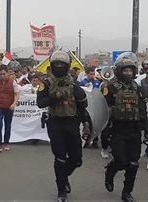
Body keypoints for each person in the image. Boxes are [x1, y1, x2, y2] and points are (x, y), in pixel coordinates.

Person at [36, 50, 91, 202]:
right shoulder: (46, 83)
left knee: (76, 160)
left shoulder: (73, 83)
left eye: (62, 64)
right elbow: (40, 103)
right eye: (57, 64)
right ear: (52, 65)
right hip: (55, 123)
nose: (59, 66)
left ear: (67, 66)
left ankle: (63, 176)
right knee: (60, 158)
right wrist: (55, 97)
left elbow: (83, 105)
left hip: (72, 123)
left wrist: (86, 123)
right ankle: (61, 190)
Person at [103, 55, 148, 202]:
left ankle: (127, 193)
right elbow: (103, 111)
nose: (128, 73)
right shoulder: (110, 88)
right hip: (117, 129)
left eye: (131, 70)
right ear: (118, 71)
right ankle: (110, 171)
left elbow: (143, 111)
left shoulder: (140, 90)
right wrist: (104, 132)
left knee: (133, 164)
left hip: (134, 129)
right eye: (125, 71)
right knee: (122, 161)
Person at [0, 64, 20, 153]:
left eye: (4, 74)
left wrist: (14, 103)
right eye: (0, 74)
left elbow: (16, 94)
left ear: (7, 73)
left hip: (9, 107)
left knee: (7, 125)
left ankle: (6, 142)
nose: (2, 76)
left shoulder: (13, 82)